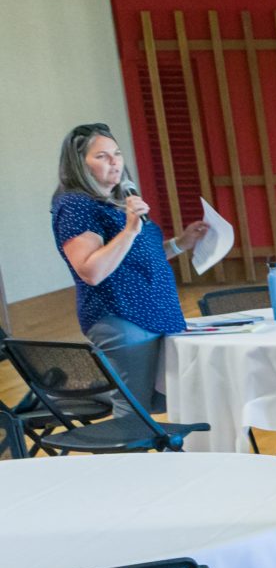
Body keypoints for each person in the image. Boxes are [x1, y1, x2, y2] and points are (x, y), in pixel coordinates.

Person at [50, 122, 211, 408]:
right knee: (133, 412)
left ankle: (83, 392)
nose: (115, 162)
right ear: (79, 165)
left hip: (156, 313)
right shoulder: (76, 205)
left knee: (169, 399)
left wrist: (181, 243)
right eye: (101, 156)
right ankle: (68, 394)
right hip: (122, 317)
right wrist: (129, 231)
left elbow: (135, 256)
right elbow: (91, 271)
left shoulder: (118, 201)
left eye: (117, 153)